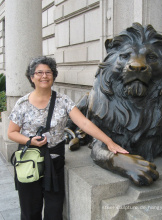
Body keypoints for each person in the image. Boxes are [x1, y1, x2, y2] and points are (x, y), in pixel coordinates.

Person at [7, 56, 129, 220]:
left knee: (54, 209)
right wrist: (29, 141)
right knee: (30, 210)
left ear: (53, 75)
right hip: (29, 160)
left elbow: (84, 123)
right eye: (39, 73)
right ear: (32, 77)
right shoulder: (22, 104)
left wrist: (109, 142)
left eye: (48, 72)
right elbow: (12, 132)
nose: (44, 76)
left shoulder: (62, 101)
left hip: (54, 159)